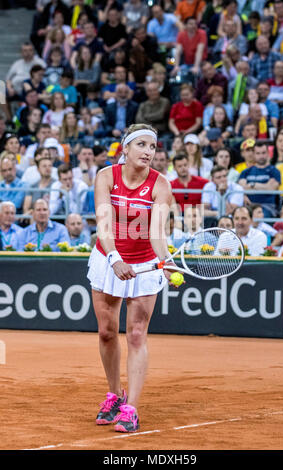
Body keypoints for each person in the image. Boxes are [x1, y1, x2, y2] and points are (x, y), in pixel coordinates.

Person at [87, 123, 174, 433]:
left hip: (144, 265)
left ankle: (131, 408)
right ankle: (114, 395)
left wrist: (166, 260)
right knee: (107, 332)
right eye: (141, 145)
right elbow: (104, 224)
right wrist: (114, 258)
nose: (149, 152)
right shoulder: (105, 177)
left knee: (137, 334)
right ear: (125, 149)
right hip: (108, 258)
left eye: (152, 146)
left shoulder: (161, 184)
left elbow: (156, 233)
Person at [238, 141, 281, 217]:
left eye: (263, 153)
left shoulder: (274, 171)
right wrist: (264, 186)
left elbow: (271, 189)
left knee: (258, 216)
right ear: (254, 154)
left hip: (267, 207)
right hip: (248, 206)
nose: (261, 156)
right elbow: (241, 188)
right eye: (258, 153)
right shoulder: (245, 172)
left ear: (268, 153)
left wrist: (251, 185)